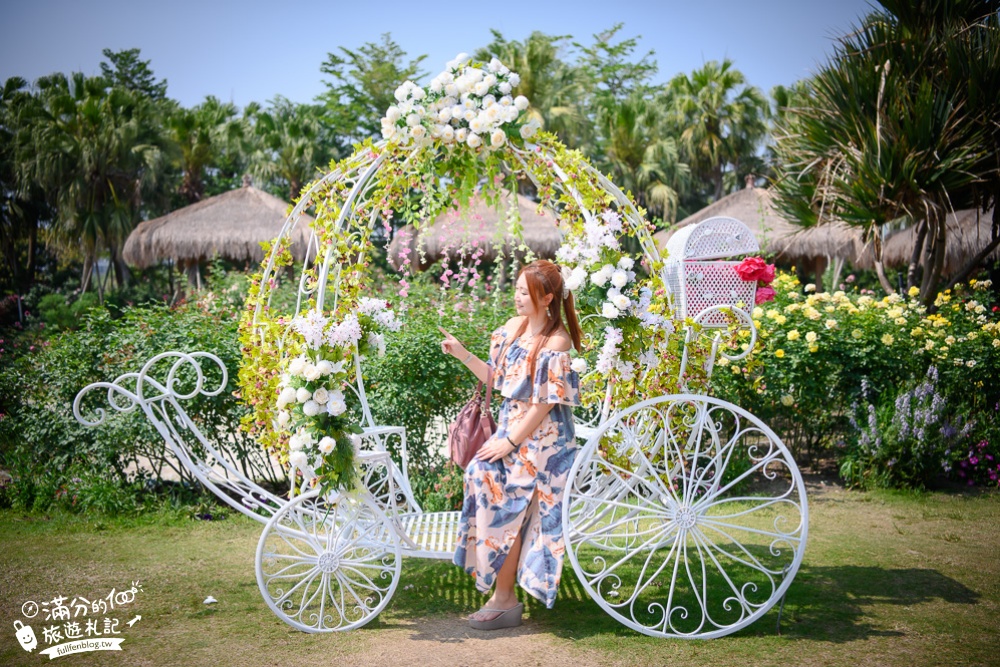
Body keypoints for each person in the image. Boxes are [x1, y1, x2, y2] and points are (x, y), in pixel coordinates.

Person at [439, 259, 583, 630]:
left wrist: (508, 443)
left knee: (497, 485)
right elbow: (497, 380)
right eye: (516, 289)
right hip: (513, 435)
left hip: (546, 445)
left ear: (548, 298)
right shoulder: (511, 329)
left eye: (525, 292)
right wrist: (461, 352)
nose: (517, 297)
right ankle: (502, 593)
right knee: (479, 472)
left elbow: (545, 404)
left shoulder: (556, 341)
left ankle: (503, 597)